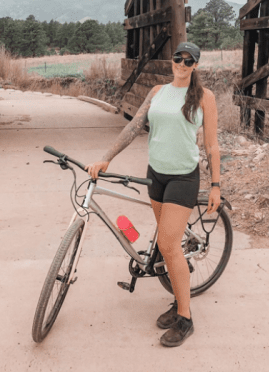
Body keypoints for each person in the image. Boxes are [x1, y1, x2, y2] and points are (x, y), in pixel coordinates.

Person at [85, 41, 221, 348]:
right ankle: (179, 297)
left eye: (189, 61)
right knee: (167, 244)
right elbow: (134, 127)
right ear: (171, 60)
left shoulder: (204, 98)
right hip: (156, 175)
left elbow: (211, 145)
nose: (182, 64)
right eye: (178, 58)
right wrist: (107, 158)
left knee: (168, 244)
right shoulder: (158, 92)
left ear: (195, 66)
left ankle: (185, 318)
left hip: (183, 177)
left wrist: (215, 184)